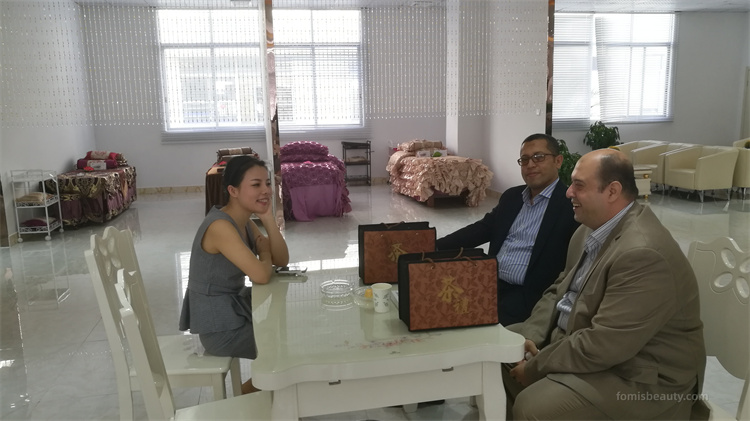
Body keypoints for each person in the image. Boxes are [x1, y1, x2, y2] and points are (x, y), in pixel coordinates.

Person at [505, 149, 706, 420]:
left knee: (534, 406)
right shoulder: (588, 229)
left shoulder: (643, 253)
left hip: (639, 377)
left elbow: (604, 344)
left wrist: (535, 367)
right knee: (499, 350)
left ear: (612, 191)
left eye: (579, 185)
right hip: (585, 345)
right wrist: (531, 334)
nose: (568, 192)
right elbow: (559, 290)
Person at [436, 133, 579, 325]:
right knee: (440, 309)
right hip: (487, 283)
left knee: (477, 328)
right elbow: (481, 229)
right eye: (525, 159)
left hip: (528, 296)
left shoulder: (571, 206)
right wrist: (433, 245)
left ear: (558, 161)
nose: (530, 165)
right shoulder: (512, 197)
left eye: (539, 157)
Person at [179, 155, 289, 394]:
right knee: (286, 347)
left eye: (267, 183)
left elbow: (281, 259)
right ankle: (244, 398)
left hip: (233, 313)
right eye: (256, 184)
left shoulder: (243, 221)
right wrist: (263, 252)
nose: (266, 190)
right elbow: (261, 275)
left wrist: (268, 218)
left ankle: (266, 397)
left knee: (287, 331)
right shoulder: (221, 226)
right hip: (220, 329)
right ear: (233, 191)